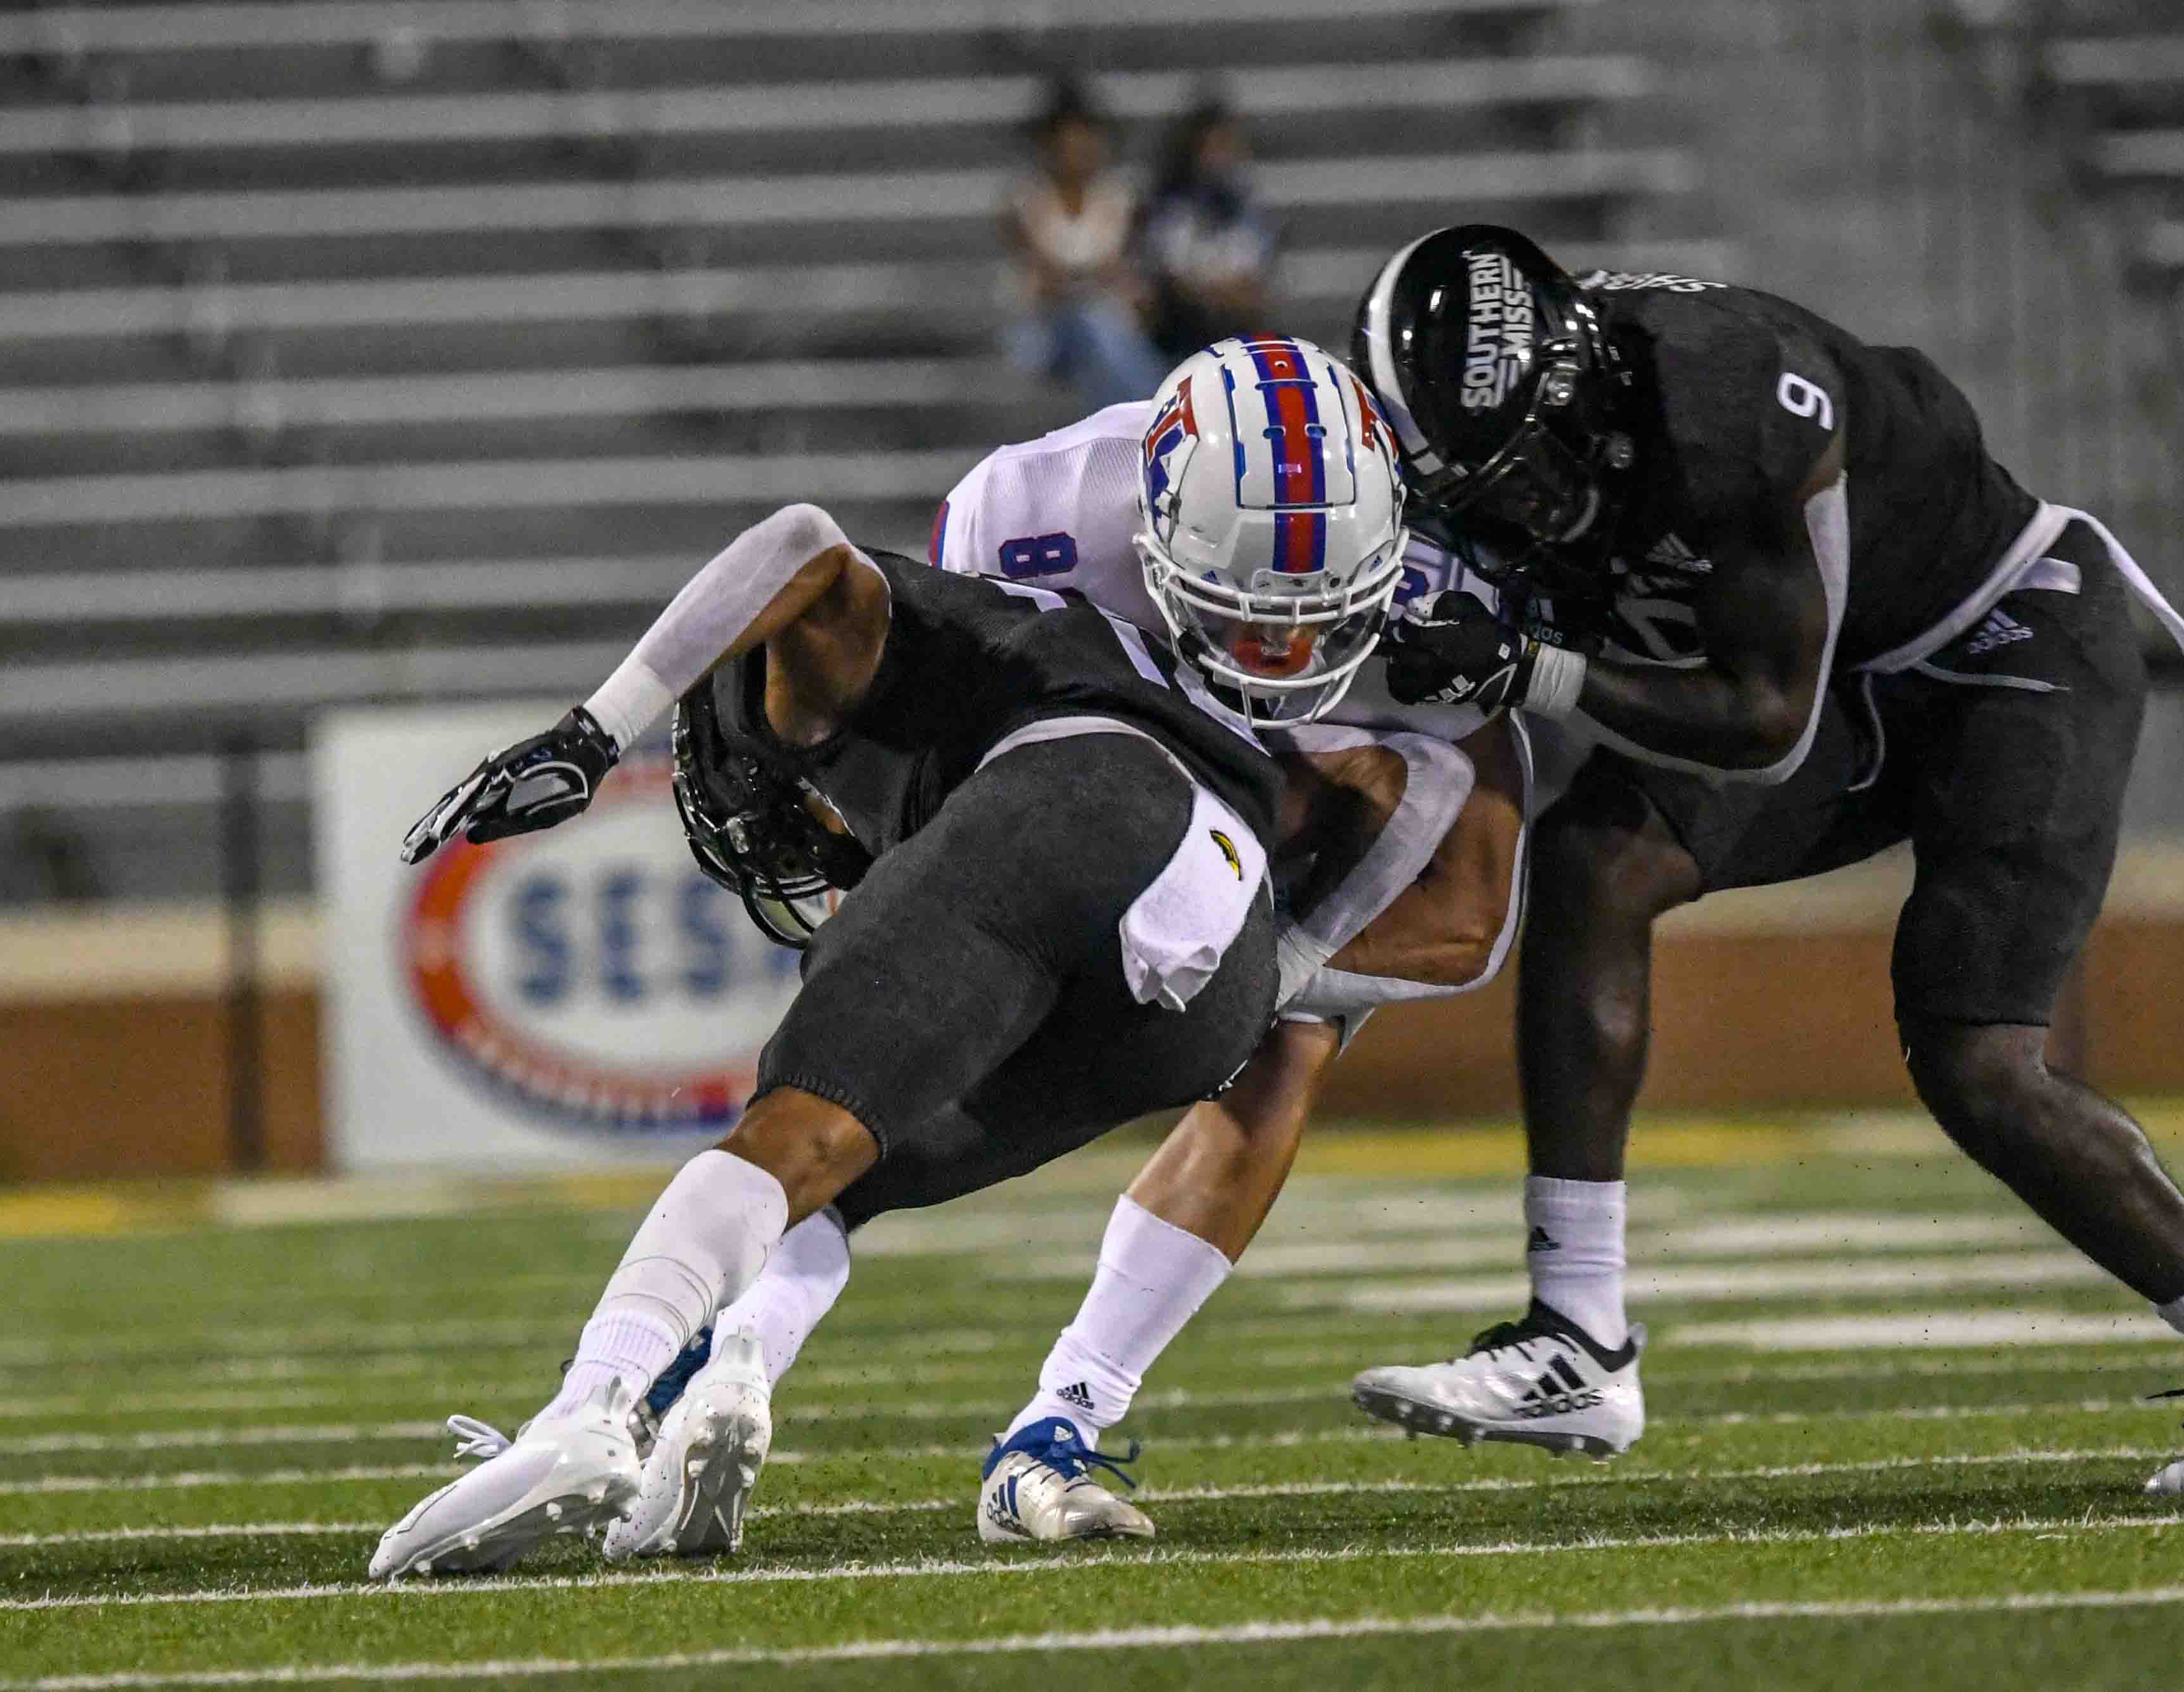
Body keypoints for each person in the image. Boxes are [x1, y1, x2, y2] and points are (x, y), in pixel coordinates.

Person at [1340, 225, 2184, 1495]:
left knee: (1974, 1053)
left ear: (1577, 394)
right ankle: (1579, 1341)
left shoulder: (1734, 405)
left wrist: (1531, 664)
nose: (1495, 510)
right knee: (1597, 861)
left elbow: (1767, 721)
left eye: (1506, 472)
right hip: (1852, 676)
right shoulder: (1558, 404)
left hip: (2004, 636)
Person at [613, 338, 1534, 1555]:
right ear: (1153, 535)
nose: (1279, 658)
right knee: (872, 1065)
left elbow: (1466, 918)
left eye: (1317, 623)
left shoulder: (1454, 610)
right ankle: (720, 1359)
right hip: (1055, 780)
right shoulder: (1032, 510)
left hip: (1301, 847)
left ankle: (1066, 1418)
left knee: (1276, 1060)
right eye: (1243, 615)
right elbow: (938, 737)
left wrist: (1271, 958)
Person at [368, 499, 1297, 1578]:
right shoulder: (1078, 657)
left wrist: (597, 728)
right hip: (1223, 973)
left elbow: (800, 540)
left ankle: (587, 1409)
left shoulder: (836, 665)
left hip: (1084, 791)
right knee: (835, 1181)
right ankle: (714, 1392)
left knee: (787, 1130)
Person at [1002, 78, 1166, 410]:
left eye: (1085, 142)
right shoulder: (1025, 200)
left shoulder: (1119, 196)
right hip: (1042, 333)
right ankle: (1151, 405)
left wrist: (1080, 279)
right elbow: (1045, 281)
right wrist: (1090, 279)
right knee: (1089, 322)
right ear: (1051, 146)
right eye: (1068, 144)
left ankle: (1130, 410)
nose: (1078, 153)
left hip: (1108, 328)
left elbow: (1120, 271)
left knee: (1098, 331)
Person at [1136, 94, 1279, 359]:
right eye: (1213, 148)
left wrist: (1235, 292)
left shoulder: (1247, 203)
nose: (1221, 158)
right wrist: (1210, 292)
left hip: (1234, 322)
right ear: (1193, 151)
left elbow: (1254, 275)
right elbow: (1172, 275)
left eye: (1228, 147)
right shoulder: (1171, 204)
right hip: (1181, 326)